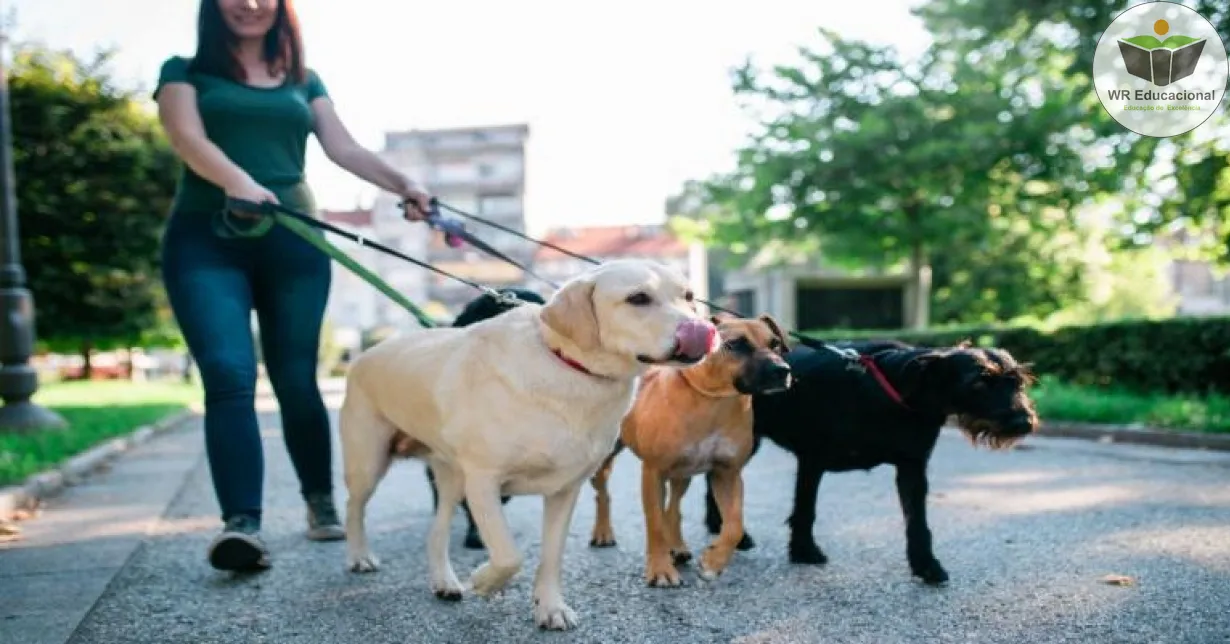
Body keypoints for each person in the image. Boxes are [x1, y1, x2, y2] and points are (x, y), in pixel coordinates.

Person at [153, 0, 432, 572]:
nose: (250, 4)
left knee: (296, 378)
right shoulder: (183, 71)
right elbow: (185, 136)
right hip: (207, 237)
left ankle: (320, 501)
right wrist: (240, 182)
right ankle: (242, 526)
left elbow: (343, 148)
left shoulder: (304, 79)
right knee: (229, 374)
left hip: (294, 239)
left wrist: (404, 183)